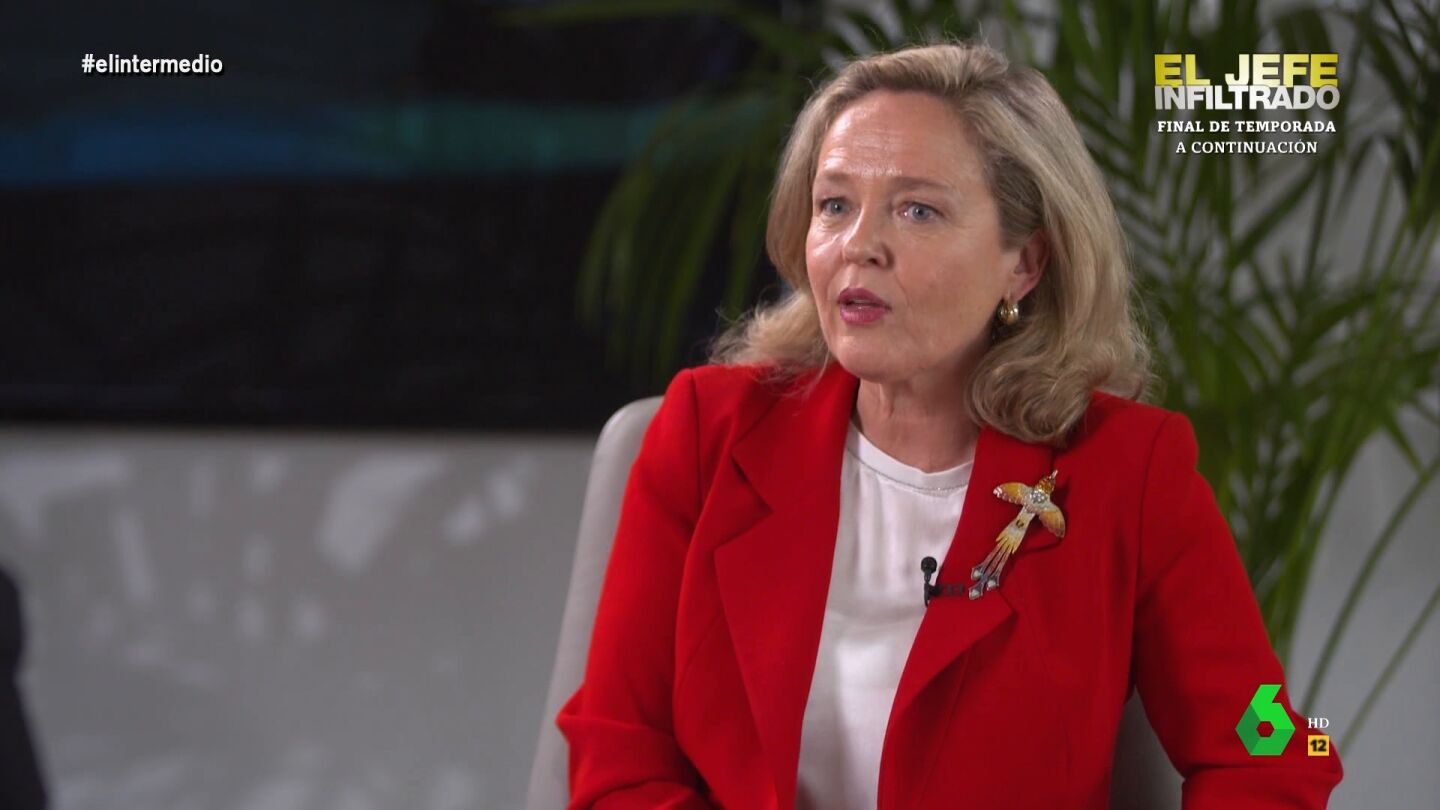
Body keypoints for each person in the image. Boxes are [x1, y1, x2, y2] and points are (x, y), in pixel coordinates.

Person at [557, 41, 1343, 809]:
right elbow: (617, 754)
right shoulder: (709, 434)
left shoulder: (1130, 470)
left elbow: (1275, 746)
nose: (859, 245)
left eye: (918, 210)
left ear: (1024, 263)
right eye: (835, 204)